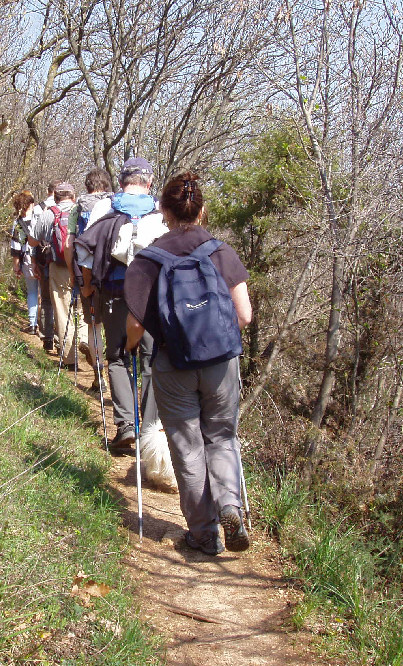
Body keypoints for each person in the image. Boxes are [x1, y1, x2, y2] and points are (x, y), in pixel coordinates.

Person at [123, 170, 253, 556]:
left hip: (172, 362)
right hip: (220, 363)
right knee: (222, 437)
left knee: (187, 446)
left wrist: (130, 347)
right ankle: (230, 503)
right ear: (203, 211)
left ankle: (203, 533)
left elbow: (135, 324)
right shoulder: (221, 251)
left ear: (164, 210)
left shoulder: (148, 261)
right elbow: (244, 315)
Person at [75, 157, 169, 452]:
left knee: (117, 357)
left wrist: (88, 287)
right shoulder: (159, 210)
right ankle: (151, 431)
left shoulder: (106, 206)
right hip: (152, 295)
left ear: (121, 181)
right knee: (150, 359)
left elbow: (86, 252)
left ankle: (127, 425)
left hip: (115, 291)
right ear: (149, 182)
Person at [68, 168, 114, 388]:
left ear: (87, 186)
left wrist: (73, 275)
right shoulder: (117, 204)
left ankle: (99, 376)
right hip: (115, 274)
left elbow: (70, 245)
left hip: (88, 274)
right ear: (106, 185)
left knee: (94, 326)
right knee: (116, 326)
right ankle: (120, 375)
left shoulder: (78, 208)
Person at [29, 182, 80, 362]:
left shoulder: (49, 213)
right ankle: (86, 342)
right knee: (81, 309)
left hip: (58, 266)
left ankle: (68, 356)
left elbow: (32, 241)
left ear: (55, 198)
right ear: (73, 197)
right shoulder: (82, 211)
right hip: (82, 266)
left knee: (62, 308)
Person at [10, 191, 40, 335]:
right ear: (31, 204)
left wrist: (16, 265)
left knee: (32, 291)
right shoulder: (40, 217)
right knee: (45, 294)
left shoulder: (18, 223)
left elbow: (16, 246)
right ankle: (48, 326)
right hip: (42, 258)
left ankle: (33, 324)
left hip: (27, 260)